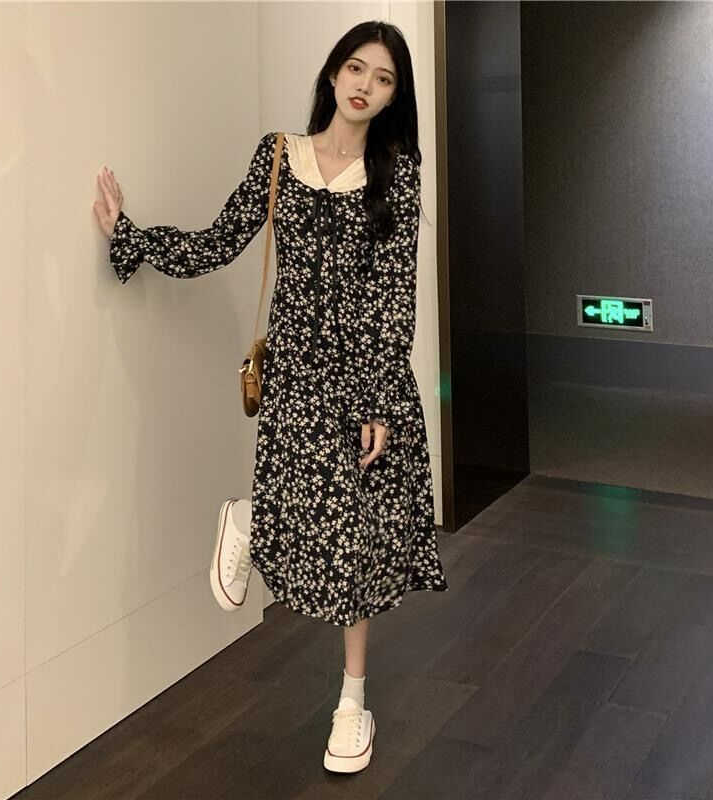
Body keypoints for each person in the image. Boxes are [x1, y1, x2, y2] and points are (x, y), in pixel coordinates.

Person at [93, 20, 448, 774]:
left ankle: (351, 700)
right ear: (333, 73)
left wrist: (380, 401)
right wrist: (130, 236)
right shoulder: (279, 155)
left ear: (394, 97)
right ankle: (257, 517)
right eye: (357, 68)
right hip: (295, 376)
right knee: (334, 527)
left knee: (355, 545)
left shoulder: (398, 174)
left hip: (361, 380)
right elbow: (219, 241)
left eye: (384, 79)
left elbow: (395, 296)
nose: (366, 86)